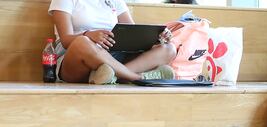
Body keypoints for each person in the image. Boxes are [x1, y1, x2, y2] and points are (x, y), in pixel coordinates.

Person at [49, 0, 179, 84]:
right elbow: (66, 40)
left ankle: (109, 76)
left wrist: (157, 36)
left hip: (113, 55)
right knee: (82, 41)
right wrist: (89, 35)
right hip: (76, 59)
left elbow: (133, 33)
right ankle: (137, 78)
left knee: (169, 48)